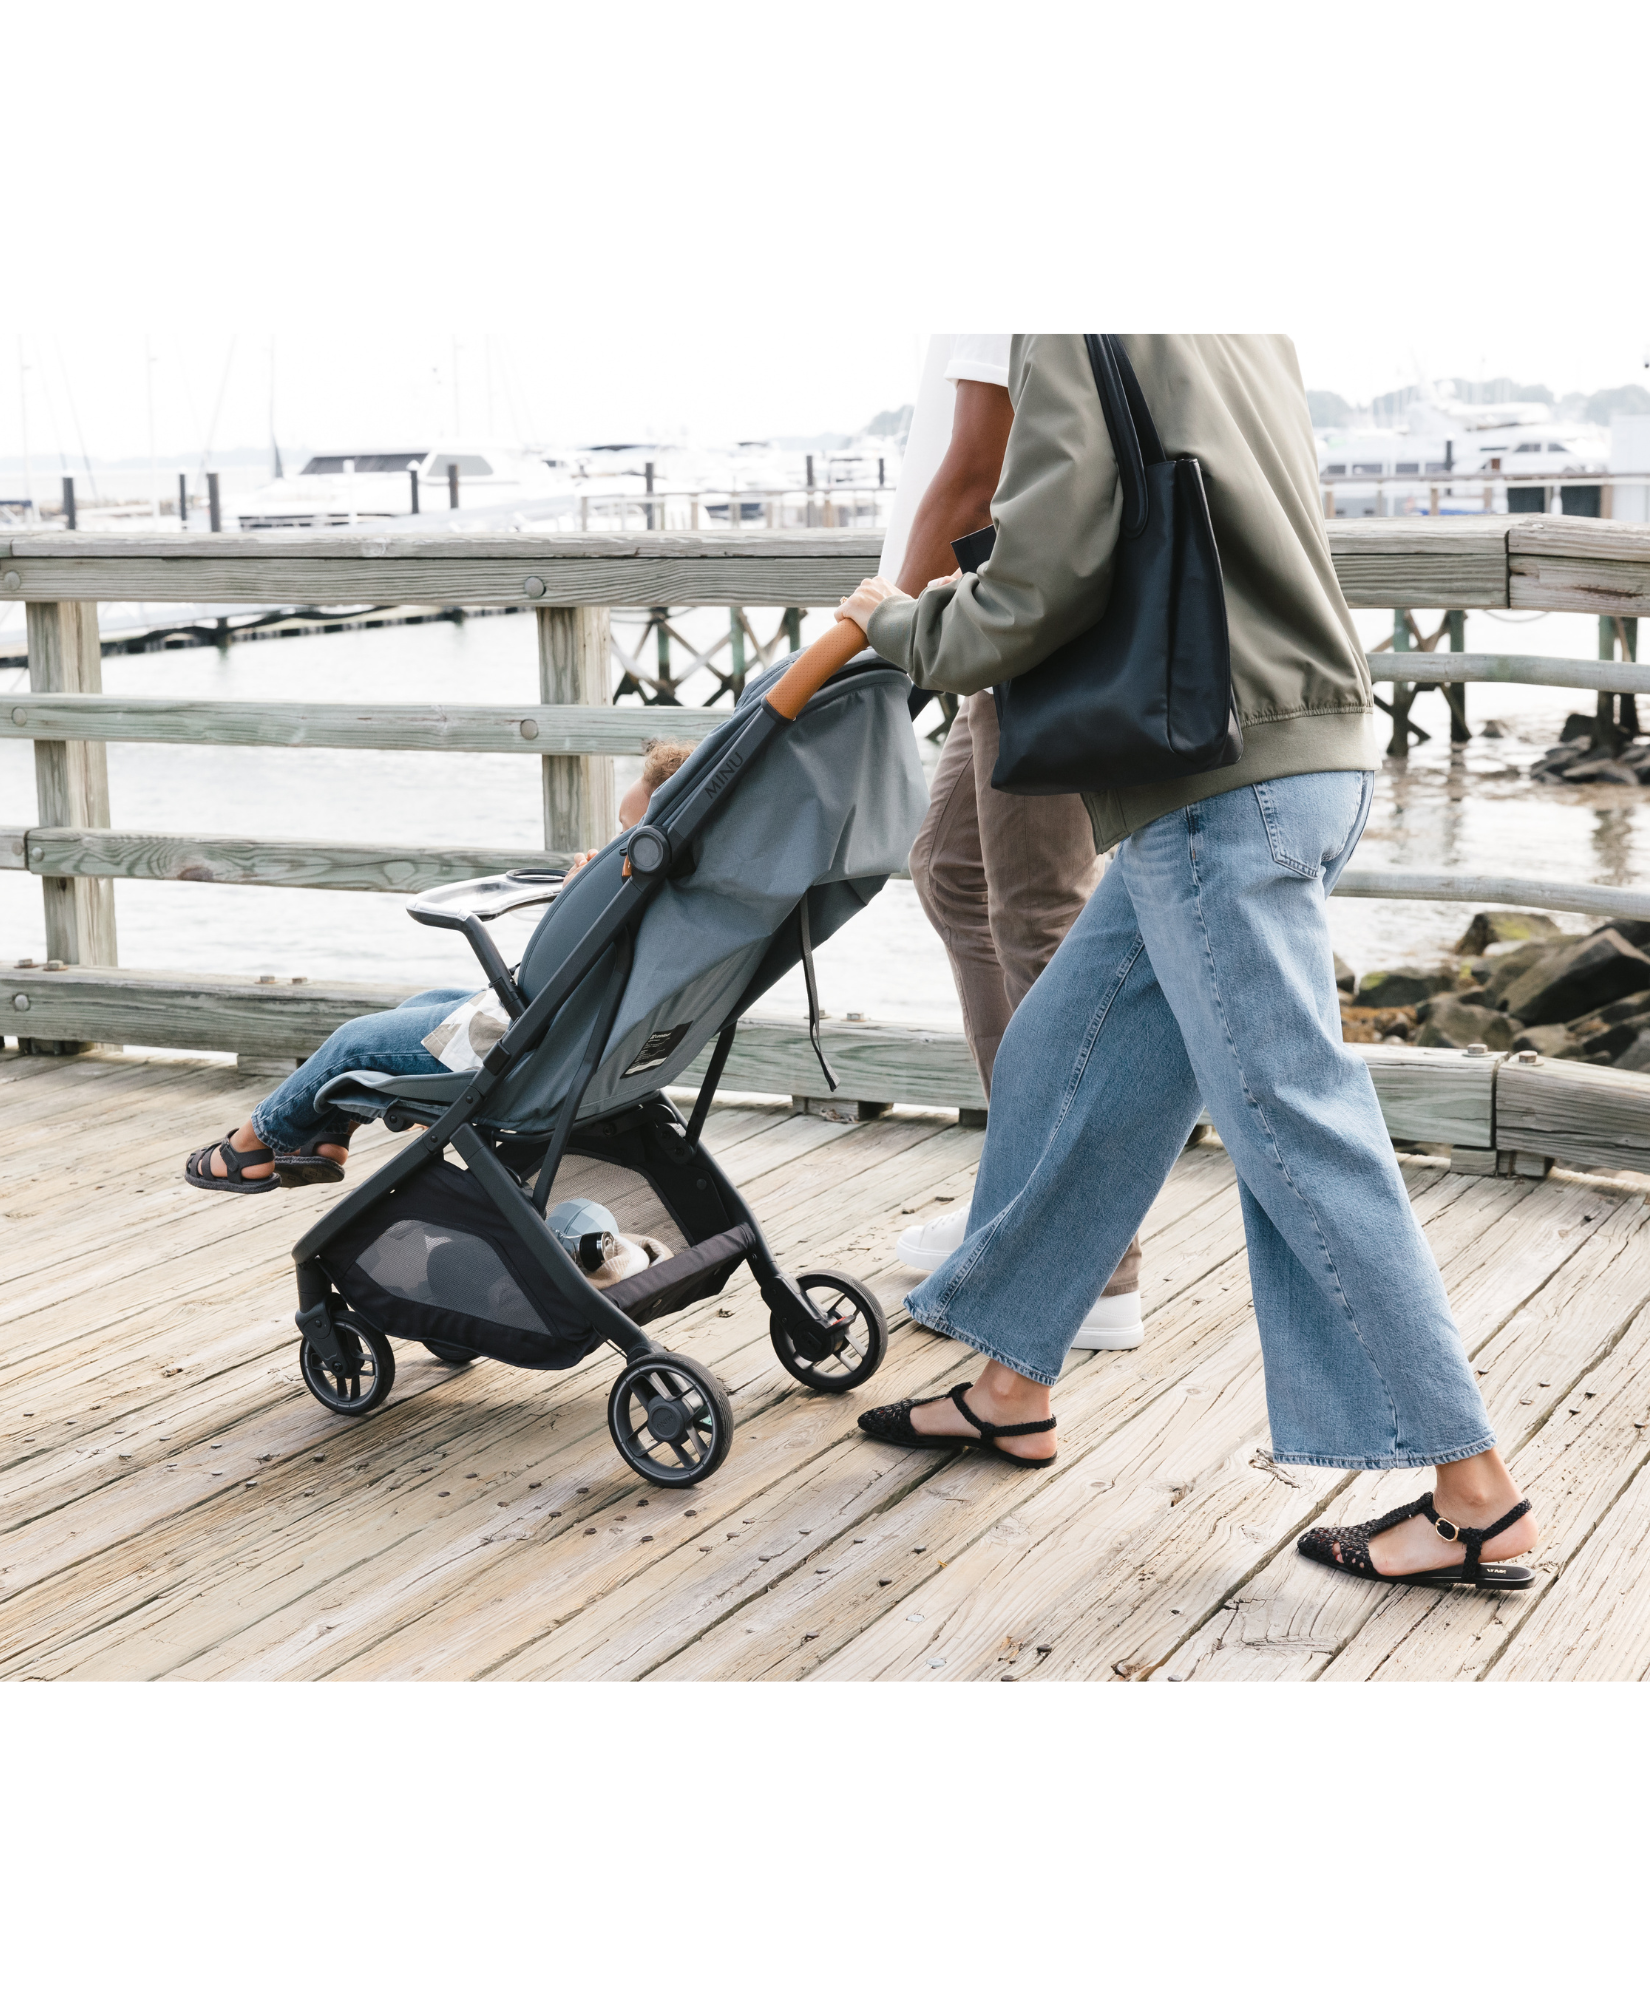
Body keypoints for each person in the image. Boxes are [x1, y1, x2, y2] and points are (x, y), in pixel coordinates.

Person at [837, 334, 1538, 1593]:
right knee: (1067, 1057)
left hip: (1219, 787)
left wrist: (893, 624)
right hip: (1285, 751)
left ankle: (1471, 1490)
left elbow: (1036, 580)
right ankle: (1007, 1384)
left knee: (1293, 1123)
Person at [882, 335, 1142, 1351]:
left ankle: (1093, 1260)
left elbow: (977, 470)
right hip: (994, 624)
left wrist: (876, 636)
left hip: (1029, 623)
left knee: (1041, 913)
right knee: (952, 875)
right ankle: (1019, 1190)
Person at [183, 740, 695, 1194]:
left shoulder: (627, 897)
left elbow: (562, 957)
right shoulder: (681, 908)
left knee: (353, 1043)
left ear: (655, 841)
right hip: (584, 1050)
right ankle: (330, 1135)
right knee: (423, 1005)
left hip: (528, 1058)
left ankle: (252, 1146)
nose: (614, 845)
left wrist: (576, 896)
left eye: (626, 832)